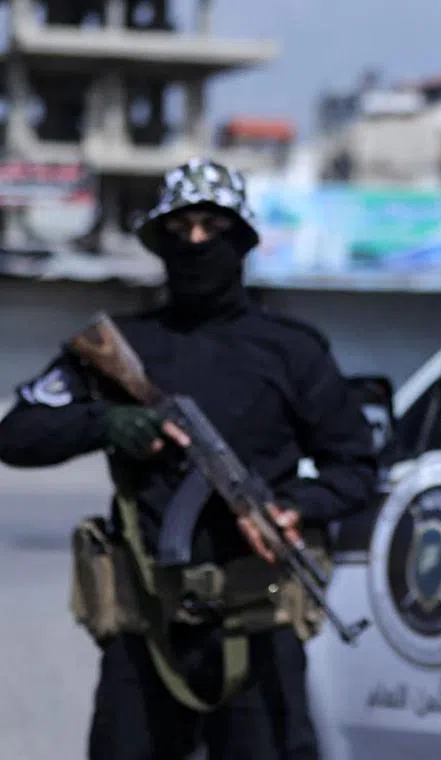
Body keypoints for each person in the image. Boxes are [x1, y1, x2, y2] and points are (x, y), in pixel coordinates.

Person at [0, 158, 377, 760]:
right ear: (159, 241)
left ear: (243, 240)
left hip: (259, 628)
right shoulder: (121, 347)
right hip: (144, 629)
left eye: (212, 227)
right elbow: (16, 434)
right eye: (181, 229)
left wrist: (291, 508)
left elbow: (356, 467)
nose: (197, 242)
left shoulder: (292, 352)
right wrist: (108, 422)